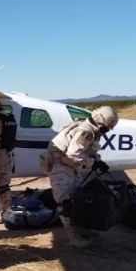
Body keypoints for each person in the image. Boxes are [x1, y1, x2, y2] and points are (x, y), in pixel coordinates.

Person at [46, 106, 119, 248]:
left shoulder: (92, 130)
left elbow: (86, 151)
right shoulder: (85, 131)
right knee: (65, 202)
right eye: (106, 127)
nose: (107, 130)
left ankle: (80, 230)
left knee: (78, 199)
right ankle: (73, 238)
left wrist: (96, 160)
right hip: (60, 166)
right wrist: (93, 163)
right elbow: (73, 155)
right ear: (99, 121)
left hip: (70, 167)